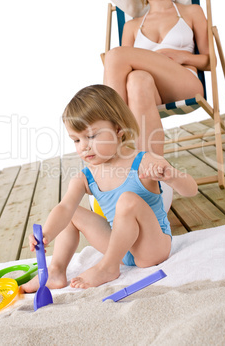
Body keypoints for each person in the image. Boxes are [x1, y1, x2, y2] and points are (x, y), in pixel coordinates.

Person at [22, 85, 197, 292]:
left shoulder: (143, 161)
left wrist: (172, 176)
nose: (83, 146)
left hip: (152, 247)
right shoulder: (85, 177)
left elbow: (191, 190)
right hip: (120, 247)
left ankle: (108, 266)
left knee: (127, 200)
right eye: (76, 140)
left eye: (92, 136)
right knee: (72, 213)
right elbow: (65, 207)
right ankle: (56, 271)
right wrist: (47, 233)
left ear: (118, 129)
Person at [97, 0, 210, 155]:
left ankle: (108, 138)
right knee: (137, 79)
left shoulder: (191, 12)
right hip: (150, 94)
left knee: (115, 55)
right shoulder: (132, 26)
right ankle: (151, 173)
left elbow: (210, 61)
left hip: (184, 83)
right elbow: (123, 74)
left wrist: (182, 56)